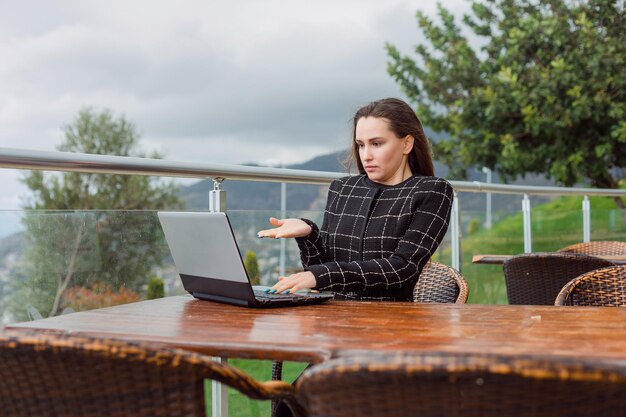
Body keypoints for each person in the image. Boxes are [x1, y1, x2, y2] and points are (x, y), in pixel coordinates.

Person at [257, 97, 454, 302]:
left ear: (407, 144)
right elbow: (319, 270)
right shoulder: (342, 189)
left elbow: (402, 268)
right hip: (334, 320)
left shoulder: (433, 192)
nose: (366, 155)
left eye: (377, 144)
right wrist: (308, 235)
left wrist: (322, 275)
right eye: (360, 145)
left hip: (392, 322)